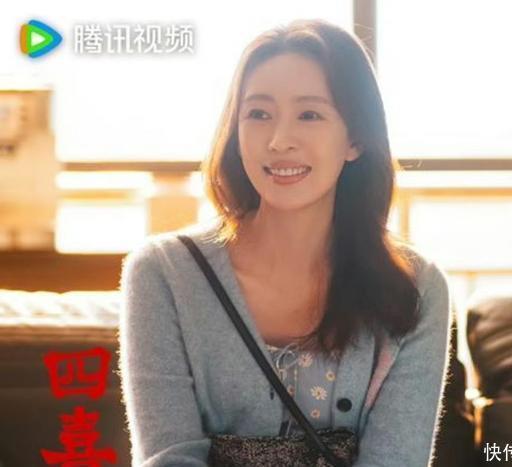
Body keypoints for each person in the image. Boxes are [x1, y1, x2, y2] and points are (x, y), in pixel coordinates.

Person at [118, 18, 452, 467]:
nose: (278, 141)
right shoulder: (163, 274)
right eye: (258, 114)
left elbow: (396, 459)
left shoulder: (416, 288)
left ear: (355, 139)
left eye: (309, 115)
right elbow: (169, 456)